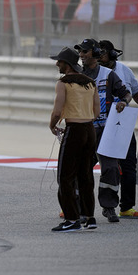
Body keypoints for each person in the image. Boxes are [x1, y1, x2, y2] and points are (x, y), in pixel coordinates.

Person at [74, 38, 132, 223]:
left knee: (111, 169)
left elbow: (126, 94)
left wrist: (124, 102)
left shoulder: (108, 74)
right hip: (83, 130)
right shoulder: (77, 74)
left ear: (95, 54)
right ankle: (81, 209)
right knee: (81, 170)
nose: (81, 55)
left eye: (84, 52)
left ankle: (109, 207)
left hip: (106, 131)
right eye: (80, 52)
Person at [97, 39, 138, 219]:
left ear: (113, 54)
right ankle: (72, 205)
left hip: (123, 124)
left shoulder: (124, 70)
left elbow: (135, 90)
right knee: (84, 165)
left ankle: (126, 207)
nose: (100, 55)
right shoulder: (93, 72)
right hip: (99, 124)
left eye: (103, 52)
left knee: (128, 166)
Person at [49, 47, 100, 232]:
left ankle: (71, 219)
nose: (57, 64)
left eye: (59, 61)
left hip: (74, 130)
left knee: (65, 176)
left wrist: (52, 125)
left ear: (67, 64)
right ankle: (90, 217)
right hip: (89, 130)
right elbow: (97, 112)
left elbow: (57, 111)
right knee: (85, 174)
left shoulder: (63, 83)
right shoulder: (90, 82)